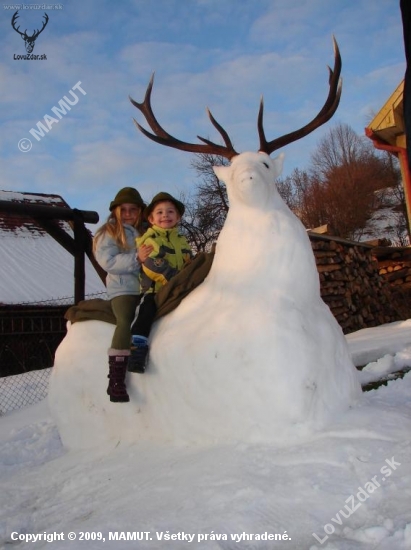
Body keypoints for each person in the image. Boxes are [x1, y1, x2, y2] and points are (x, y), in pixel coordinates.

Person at [93, 187, 152, 403]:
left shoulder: (148, 230)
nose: (128, 214)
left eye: (133, 210)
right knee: (125, 320)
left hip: (147, 287)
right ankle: (116, 379)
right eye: (123, 210)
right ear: (116, 211)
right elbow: (108, 261)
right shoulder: (108, 232)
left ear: (140, 211)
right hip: (123, 288)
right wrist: (137, 258)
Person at [128, 192, 193, 373]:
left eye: (170, 212)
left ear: (178, 217)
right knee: (146, 310)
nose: (165, 215)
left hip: (179, 286)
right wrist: (174, 280)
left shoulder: (181, 240)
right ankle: (137, 348)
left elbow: (190, 261)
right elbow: (151, 265)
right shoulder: (149, 240)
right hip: (156, 289)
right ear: (151, 219)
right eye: (160, 212)